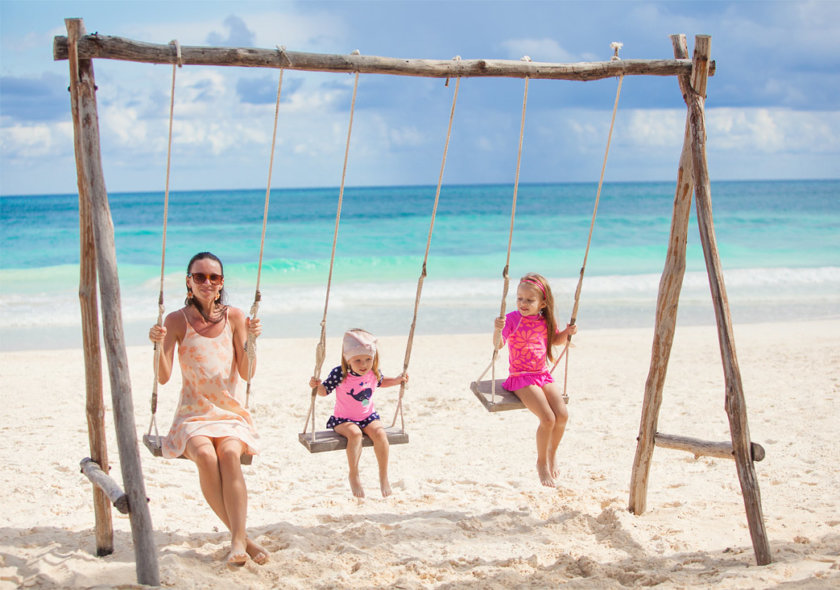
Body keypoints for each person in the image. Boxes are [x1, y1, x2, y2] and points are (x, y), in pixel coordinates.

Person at [148, 251, 268, 567]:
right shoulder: (175, 320)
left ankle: (238, 541)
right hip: (192, 414)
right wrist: (157, 345)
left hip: (229, 413)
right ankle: (242, 539)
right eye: (199, 276)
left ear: (221, 283)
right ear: (189, 282)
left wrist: (251, 342)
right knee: (205, 455)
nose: (207, 282)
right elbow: (162, 376)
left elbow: (247, 372)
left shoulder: (236, 317)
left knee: (229, 454)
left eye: (213, 277)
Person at [493, 272, 577, 488]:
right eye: (520, 298)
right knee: (548, 418)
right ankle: (541, 463)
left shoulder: (545, 320)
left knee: (562, 415)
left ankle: (552, 453)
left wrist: (567, 332)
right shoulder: (512, 319)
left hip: (542, 374)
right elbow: (498, 345)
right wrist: (498, 330)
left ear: (542, 303)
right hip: (521, 377)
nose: (523, 303)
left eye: (529, 300)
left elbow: (556, 340)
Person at [309, 329, 408, 498]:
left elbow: (382, 382)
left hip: (367, 417)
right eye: (358, 360)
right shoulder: (340, 373)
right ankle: (354, 474)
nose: (364, 364)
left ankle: (383, 476)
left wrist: (398, 380)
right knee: (354, 434)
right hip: (343, 420)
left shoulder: (373, 371)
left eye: (368, 359)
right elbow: (324, 392)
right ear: (348, 360)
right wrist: (316, 386)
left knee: (380, 433)